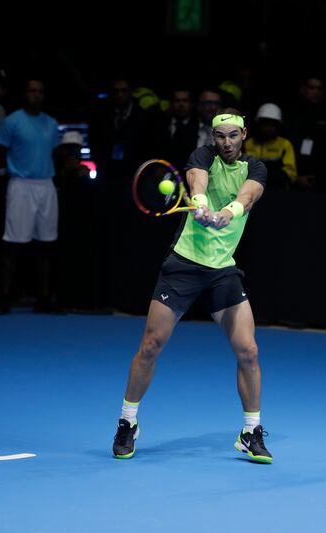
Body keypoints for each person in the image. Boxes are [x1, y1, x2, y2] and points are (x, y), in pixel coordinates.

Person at [112, 108, 272, 463]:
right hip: (183, 265)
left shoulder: (256, 168)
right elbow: (197, 181)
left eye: (233, 135)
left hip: (222, 272)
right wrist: (199, 204)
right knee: (150, 345)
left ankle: (251, 431)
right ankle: (128, 422)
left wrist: (226, 214)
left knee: (249, 352)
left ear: (244, 135)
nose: (226, 142)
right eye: (220, 136)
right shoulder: (202, 156)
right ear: (213, 138)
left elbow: (247, 197)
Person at [0, 79, 63, 314]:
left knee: (46, 243)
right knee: (13, 244)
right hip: (20, 185)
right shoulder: (12, 121)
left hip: (46, 185)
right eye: (32, 91)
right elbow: (0, 151)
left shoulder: (51, 124)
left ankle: (43, 298)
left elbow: (53, 152)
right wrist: (7, 173)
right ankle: (4, 296)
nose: (37, 95)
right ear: (25, 94)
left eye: (40, 92)